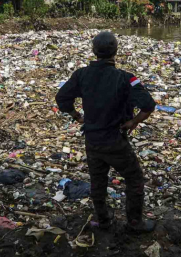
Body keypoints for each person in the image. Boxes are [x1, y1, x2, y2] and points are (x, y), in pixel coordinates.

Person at [55, 31, 156, 233]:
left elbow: (62, 98)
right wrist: (133, 122)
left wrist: (77, 116)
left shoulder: (81, 75)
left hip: (92, 140)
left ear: (94, 51)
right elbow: (148, 105)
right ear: (115, 51)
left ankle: (104, 221)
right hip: (115, 141)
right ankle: (135, 223)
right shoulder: (125, 78)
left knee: (98, 181)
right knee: (134, 178)